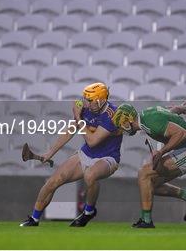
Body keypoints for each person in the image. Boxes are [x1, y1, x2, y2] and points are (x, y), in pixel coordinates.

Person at [20, 82, 122, 227]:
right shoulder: (87, 109)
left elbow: (92, 141)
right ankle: (34, 218)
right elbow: (70, 131)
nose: (85, 102)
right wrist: (50, 152)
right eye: (85, 98)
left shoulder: (112, 114)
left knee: (90, 175)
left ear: (100, 100)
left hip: (107, 158)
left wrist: (78, 117)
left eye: (89, 100)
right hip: (86, 154)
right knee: (53, 182)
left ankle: (89, 212)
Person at [112, 102, 186, 228]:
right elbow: (166, 114)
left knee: (144, 174)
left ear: (128, 121)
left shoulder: (150, 122)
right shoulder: (146, 116)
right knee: (149, 186)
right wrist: (178, 109)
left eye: (122, 125)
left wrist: (161, 152)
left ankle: (146, 221)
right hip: (184, 150)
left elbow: (182, 134)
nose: (122, 129)